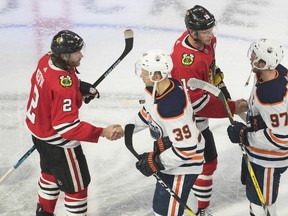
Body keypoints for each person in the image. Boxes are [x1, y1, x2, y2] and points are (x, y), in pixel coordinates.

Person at [25, 30, 123, 216]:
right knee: (77, 189)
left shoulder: (46, 60)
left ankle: (43, 213)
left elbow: (53, 86)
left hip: (39, 133)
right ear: (64, 55)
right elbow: (67, 127)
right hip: (59, 144)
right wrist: (102, 131)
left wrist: (78, 86)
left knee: (50, 174)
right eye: (77, 52)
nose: (81, 55)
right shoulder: (64, 86)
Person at [170, 5, 248, 215]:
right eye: (205, 32)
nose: (211, 35)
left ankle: (199, 209)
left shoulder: (208, 41)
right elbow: (198, 104)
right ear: (192, 32)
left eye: (211, 29)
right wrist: (231, 107)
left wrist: (216, 79)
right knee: (202, 164)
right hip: (186, 119)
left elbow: (211, 66)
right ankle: (196, 210)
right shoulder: (187, 61)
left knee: (207, 162)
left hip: (194, 113)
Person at [128, 49, 205, 216]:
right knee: (179, 199)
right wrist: (125, 127)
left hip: (183, 164)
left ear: (156, 76)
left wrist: (156, 162)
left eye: (144, 72)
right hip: (176, 156)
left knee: (163, 210)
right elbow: (149, 111)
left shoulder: (171, 107)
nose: (141, 75)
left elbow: (186, 149)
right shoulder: (164, 86)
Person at [227, 38, 288, 216]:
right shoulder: (273, 72)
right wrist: (248, 112)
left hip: (269, 159)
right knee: (256, 198)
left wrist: (245, 135)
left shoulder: (271, 94)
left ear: (263, 62)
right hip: (262, 154)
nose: (250, 58)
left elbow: (280, 138)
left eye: (254, 56)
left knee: (262, 203)